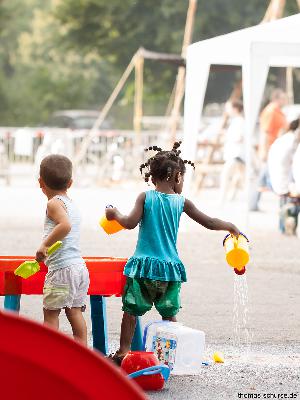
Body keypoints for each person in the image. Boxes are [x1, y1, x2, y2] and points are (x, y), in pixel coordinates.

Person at [106, 141, 240, 365]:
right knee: (169, 315)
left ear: (153, 176)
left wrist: (114, 213)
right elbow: (208, 221)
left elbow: (129, 223)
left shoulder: (145, 197)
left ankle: (123, 352)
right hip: (170, 271)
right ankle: (174, 357)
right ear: (177, 177)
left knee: (131, 312)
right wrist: (230, 226)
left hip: (144, 268)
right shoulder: (181, 202)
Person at [35, 154, 89, 345]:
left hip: (61, 271)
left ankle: (49, 355)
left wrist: (44, 245)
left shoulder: (53, 203)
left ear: (40, 182)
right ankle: (82, 353)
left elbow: (64, 226)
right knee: (74, 312)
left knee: (50, 314)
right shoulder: (71, 204)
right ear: (70, 182)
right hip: (79, 269)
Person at [250, 89, 288, 211]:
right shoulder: (271, 112)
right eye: (283, 98)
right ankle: (253, 203)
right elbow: (264, 133)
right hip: (270, 149)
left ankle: (254, 203)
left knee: (264, 177)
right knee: (262, 177)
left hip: (275, 149)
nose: (285, 100)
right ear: (277, 99)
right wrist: (264, 151)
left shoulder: (277, 112)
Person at [268, 118, 300, 234]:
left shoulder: (284, 139)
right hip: (284, 183)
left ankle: (285, 225)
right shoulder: (293, 142)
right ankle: (289, 224)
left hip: (273, 179)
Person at [219, 100, 245, 202]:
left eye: (228, 108)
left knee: (226, 176)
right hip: (237, 154)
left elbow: (239, 138)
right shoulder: (237, 121)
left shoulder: (239, 121)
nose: (227, 110)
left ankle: (223, 199)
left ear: (235, 109)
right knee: (238, 177)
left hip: (236, 154)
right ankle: (230, 197)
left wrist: (225, 134)